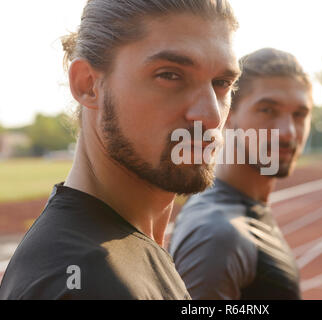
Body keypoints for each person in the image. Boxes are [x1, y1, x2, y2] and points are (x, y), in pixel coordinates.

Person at [0, 0, 240, 300]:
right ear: (88, 85)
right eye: (170, 75)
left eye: (222, 83)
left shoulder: (121, 250)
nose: (212, 116)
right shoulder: (84, 281)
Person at [169, 48, 313, 300]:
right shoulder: (216, 235)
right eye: (268, 110)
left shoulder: (244, 209)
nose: (288, 132)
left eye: (299, 114)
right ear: (228, 113)